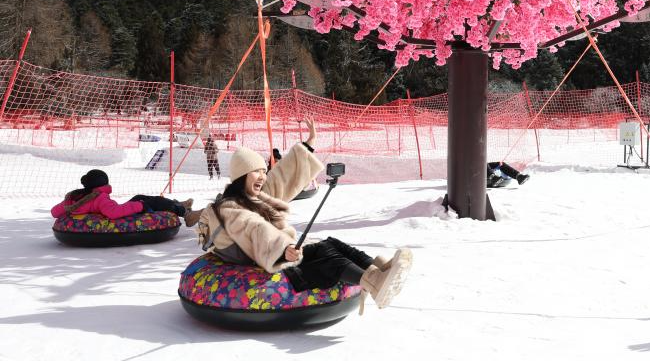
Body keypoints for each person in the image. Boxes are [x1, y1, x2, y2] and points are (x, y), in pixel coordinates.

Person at [196, 118, 411, 311]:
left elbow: (281, 176)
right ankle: (374, 283)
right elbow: (256, 231)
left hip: (270, 252)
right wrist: (283, 250)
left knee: (331, 243)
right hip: (260, 259)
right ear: (241, 176)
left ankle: (380, 268)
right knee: (323, 253)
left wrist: (309, 143)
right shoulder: (229, 208)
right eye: (256, 172)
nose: (262, 176)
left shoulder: (253, 196)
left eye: (263, 171)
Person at [52, 169, 200, 227]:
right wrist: (139, 206)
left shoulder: (75, 197)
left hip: (100, 212)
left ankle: (176, 204)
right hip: (115, 218)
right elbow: (113, 212)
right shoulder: (99, 197)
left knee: (139, 196)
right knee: (150, 202)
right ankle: (186, 214)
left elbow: (54, 212)